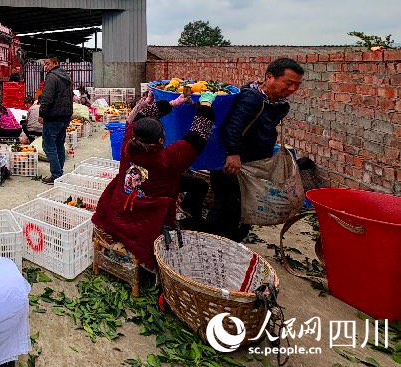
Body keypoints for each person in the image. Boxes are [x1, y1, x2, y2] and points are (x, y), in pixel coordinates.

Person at [91, 90, 218, 270]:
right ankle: (181, 224)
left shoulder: (128, 143)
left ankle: (186, 210)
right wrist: (205, 105)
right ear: (160, 140)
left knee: (198, 185)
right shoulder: (169, 158)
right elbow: (198, 135)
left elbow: (138, 117)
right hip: (148, 214)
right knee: (205, 226)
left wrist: (172, 104)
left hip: (123, 205)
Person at [207, 57, 305, 241]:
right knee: (226, 209)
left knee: (245, 209)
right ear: (269, 77)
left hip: (253, 166)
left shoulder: (278, 104)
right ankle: (213, 245)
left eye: (297, 85)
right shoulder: (251, 98)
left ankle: (231, 245)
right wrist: (233, 153)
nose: (293, 89)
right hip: (233, 166)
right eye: (288, 83)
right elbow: (232, 127)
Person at [39, 56, 73, 184]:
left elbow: (47, 98)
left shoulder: (52, 77)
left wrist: (42, 114)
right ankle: (59, 172)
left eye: (48, 64)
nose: (46, 67)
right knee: (59, 145)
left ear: (55, 63)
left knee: (48, 146)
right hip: (64, 117)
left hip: (53, 117)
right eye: (45, 64)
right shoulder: (66, 77)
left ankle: (56, 174)